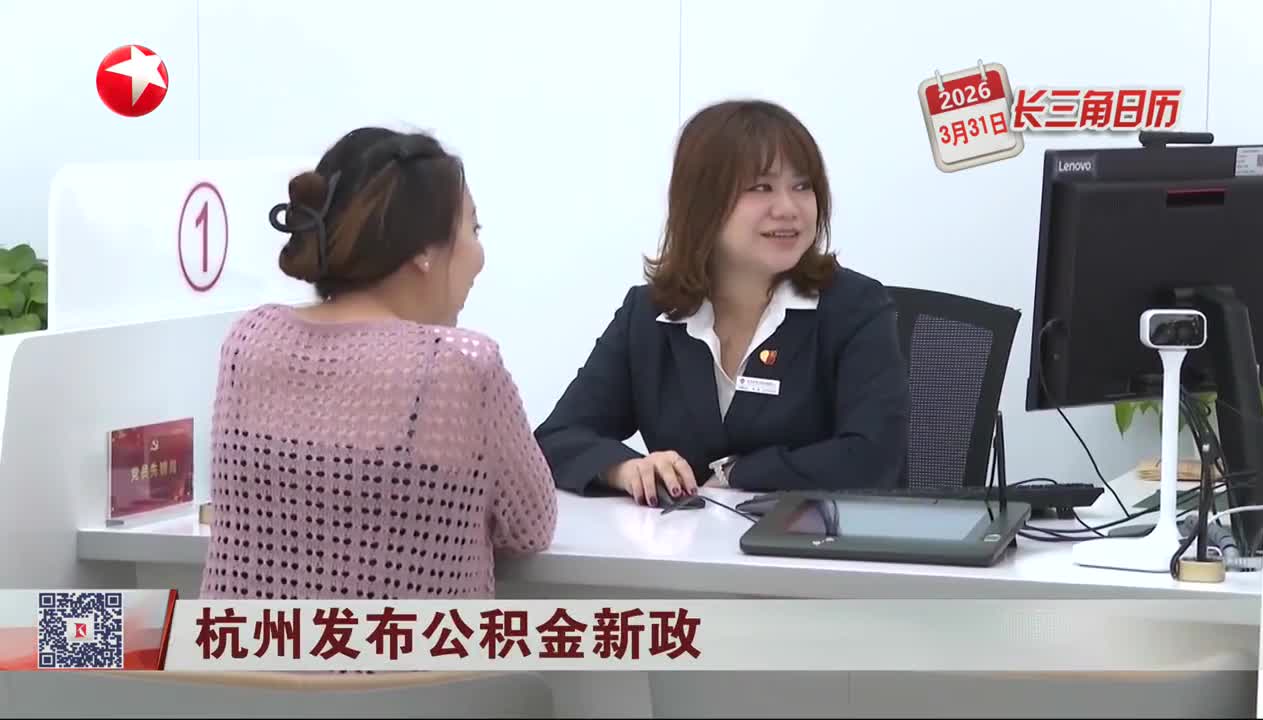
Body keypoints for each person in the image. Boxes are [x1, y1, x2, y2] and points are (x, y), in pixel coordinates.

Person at [200, 127, 557, 601]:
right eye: (473, 230)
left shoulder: (249, 341)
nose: (479, 257)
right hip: (410, 652)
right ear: (423, 251)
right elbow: (531, 525)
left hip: (244, 650)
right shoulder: (461, 366)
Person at [534, 100, 911, 506]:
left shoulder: (854, 308)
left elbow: (873, 458)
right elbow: (558, 437)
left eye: (803, 186)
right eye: (761, 187)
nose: (789, 209)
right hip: (688, 543)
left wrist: (736, 473)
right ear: (703, 202)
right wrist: (624, 469)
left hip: (813, 541)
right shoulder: (649, 314)